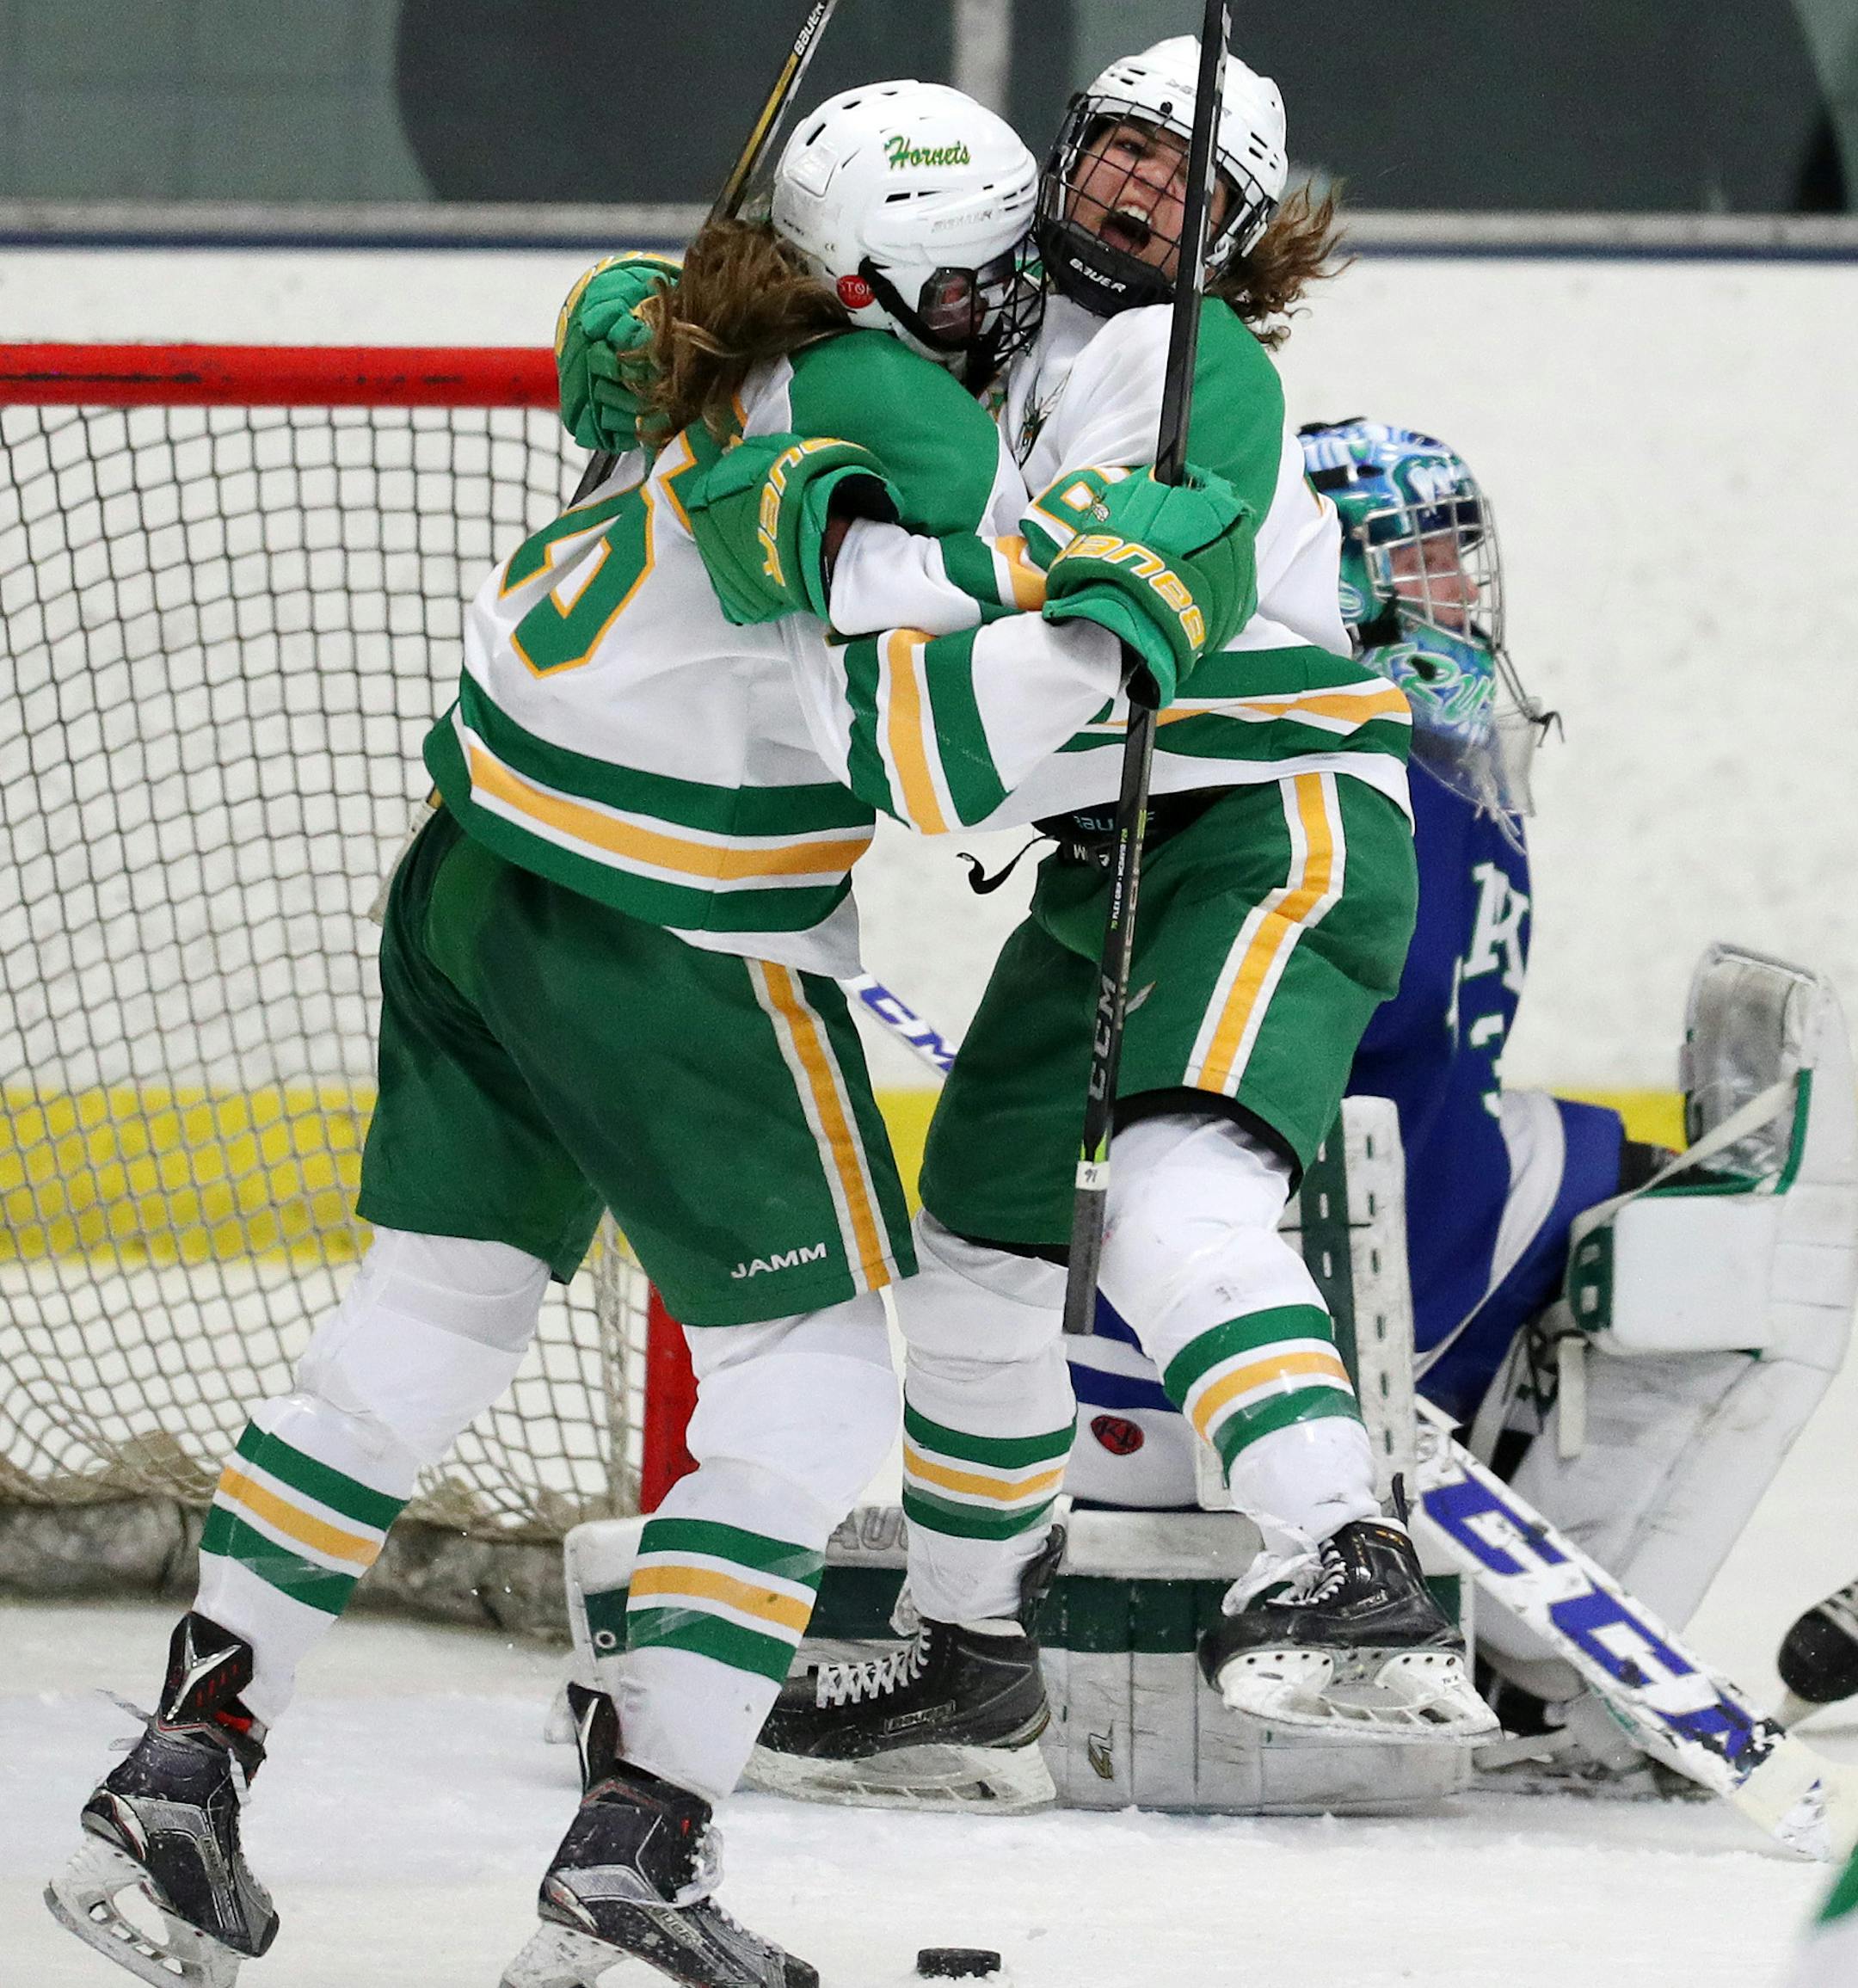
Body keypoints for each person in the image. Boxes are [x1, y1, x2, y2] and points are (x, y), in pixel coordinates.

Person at [45, 83, 1260, 1988]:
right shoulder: (913, 412)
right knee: (813, 1389)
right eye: (990, 257)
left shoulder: (695, 321)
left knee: (426, 1317)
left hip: (471, 882)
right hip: (674, 942)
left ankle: (185, 1757)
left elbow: (676, 406)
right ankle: (643, 1840)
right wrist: (1117, 594)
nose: (1015, 289)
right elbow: (924, 747)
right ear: (905, 272)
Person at [1066, 418, 1858, 1800]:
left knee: (1655, 1195)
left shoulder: (1427, 761)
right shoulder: (1346, 796)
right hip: (1279, 1328)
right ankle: (1557, 1671)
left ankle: (1528, 1636)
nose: (1460, 590)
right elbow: (1344, 1108)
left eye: (1457, 552)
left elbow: (1425, 1090)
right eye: (1421, 557)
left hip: (1322, 1261)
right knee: (1722, 1245)